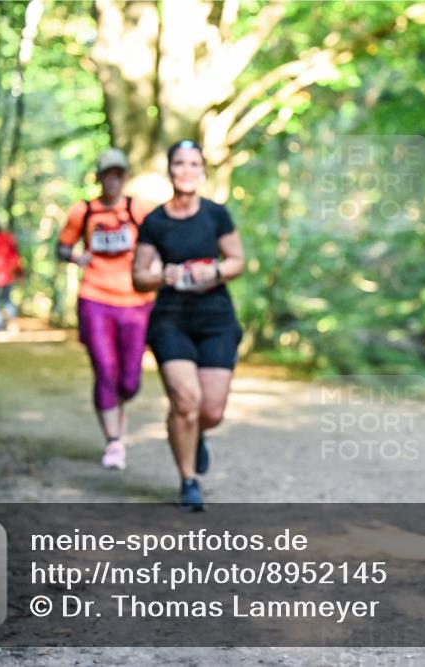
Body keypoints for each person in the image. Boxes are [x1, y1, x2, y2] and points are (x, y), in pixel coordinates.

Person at [132, 140, 245, 511]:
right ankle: (188, 481)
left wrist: (211, 270)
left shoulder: (216, 215)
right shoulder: (155, 222)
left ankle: (195, 436)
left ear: (203, 170)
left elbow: (237, 261)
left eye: (194, 163)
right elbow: (139, 276)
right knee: (185, 401)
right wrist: (164, 274)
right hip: (171, 320)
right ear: (170, 169)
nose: (186, 170)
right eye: (179, 163)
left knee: (210, 412)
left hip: (216, 319)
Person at [56, 148, 156, 471]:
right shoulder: (82, 211)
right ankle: (113, 441)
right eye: (107, 175)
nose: (112, 181)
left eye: (118, 175)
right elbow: (62, 247)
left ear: (124, 178)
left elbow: (161, 241)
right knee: (104, 368)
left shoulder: (138, 209)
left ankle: (117, 410)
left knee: (129, 381)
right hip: (95, 298)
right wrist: (74, 257)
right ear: (99, 178)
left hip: (136, 302)